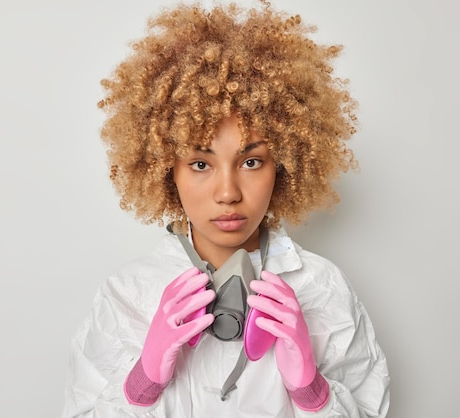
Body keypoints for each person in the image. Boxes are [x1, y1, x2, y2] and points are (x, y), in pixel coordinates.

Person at [62, 2, 389, 417]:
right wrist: (142, 383)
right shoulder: (126, 294)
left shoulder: (322, 288)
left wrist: (312, 391)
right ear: (167, 172)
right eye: (200, 164)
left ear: (284, 167)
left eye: (251, 162)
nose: (229, 192)